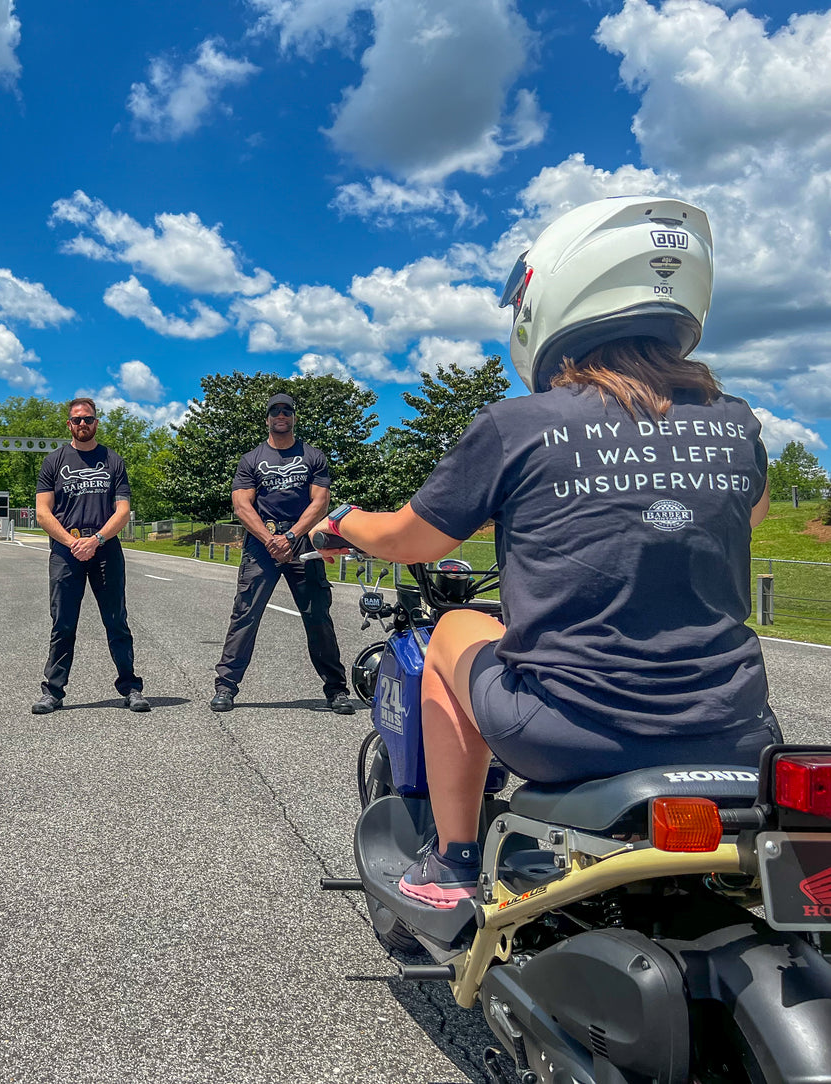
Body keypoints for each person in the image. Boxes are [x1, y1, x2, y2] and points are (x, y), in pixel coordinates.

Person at [313, 196, 779, 908]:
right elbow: (743, 516)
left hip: (573, 732)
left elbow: (412, 538)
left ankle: (452, 860)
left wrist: (341, 519)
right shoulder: (735, 423)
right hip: (737, 729)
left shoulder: (517, 423)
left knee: (453, 632)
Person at [210, 392, 355, 715]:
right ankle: (225, 687)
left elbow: (320, 501)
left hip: (301, 539)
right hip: (261, 542)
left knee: (318, 616)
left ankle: (336, 690)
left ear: (293, 417)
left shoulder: (312, 456)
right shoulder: (251, 459)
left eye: (286, 411)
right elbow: (241, 504)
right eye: (275, 411)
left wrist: (291, 536)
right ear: (267, 419)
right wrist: (269, 538)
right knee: (245, 614)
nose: (281, 416)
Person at [31, 397, 148, 715]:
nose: (83, 424)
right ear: (68, 424)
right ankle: (53, 692)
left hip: (105, 549)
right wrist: (73, 543)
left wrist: (96, 539)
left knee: (116, 621)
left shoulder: (113, 461)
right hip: (66, 552)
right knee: (63, 624)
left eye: (89, 419)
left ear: (97, 422)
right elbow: (43, 512)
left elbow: (122, 511)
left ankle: (131, 688)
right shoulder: (53, 462)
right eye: (77, 420)